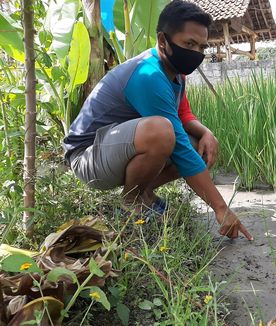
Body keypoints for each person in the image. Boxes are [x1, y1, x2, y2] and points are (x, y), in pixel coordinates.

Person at [63, 0, 253, 241]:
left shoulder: (175, 73)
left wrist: (207, 133)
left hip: (114, 150)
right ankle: (130, 202)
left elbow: (183, 115)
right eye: (189, 44)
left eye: (201, 47)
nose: (196, 53)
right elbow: (179, 146)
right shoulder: (148, 75)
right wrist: (220, 208)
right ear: (163, 40)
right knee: (163, 132)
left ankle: (145, 192)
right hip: (87, 158)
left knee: (196, 144)